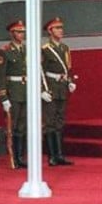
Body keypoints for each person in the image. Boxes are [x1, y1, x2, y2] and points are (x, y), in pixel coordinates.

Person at [42, 17, 76, 166]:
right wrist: (42, 90)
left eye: (61, 27)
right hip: (51, 87)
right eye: (57, 28)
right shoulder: (45, 49)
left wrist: (70, 82)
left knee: (60, 121)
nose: (60, 30)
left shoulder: (64, 48)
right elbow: (40, 71)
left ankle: (60, 154)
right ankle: (51, 155)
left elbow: (67, 68)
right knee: (50, 122)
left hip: (62, 87)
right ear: (50, 31)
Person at [0, 20, 27, 169]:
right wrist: (3, 96)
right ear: (12, 34)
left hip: (25, 90)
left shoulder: (26, 49)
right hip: (13, 91)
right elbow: (0, 76)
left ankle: (21, 156)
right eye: (19, 32)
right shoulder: (6, 51)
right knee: (12, 125)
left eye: (23, 32)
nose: (22, 35)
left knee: (22, 125)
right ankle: (13, 155)